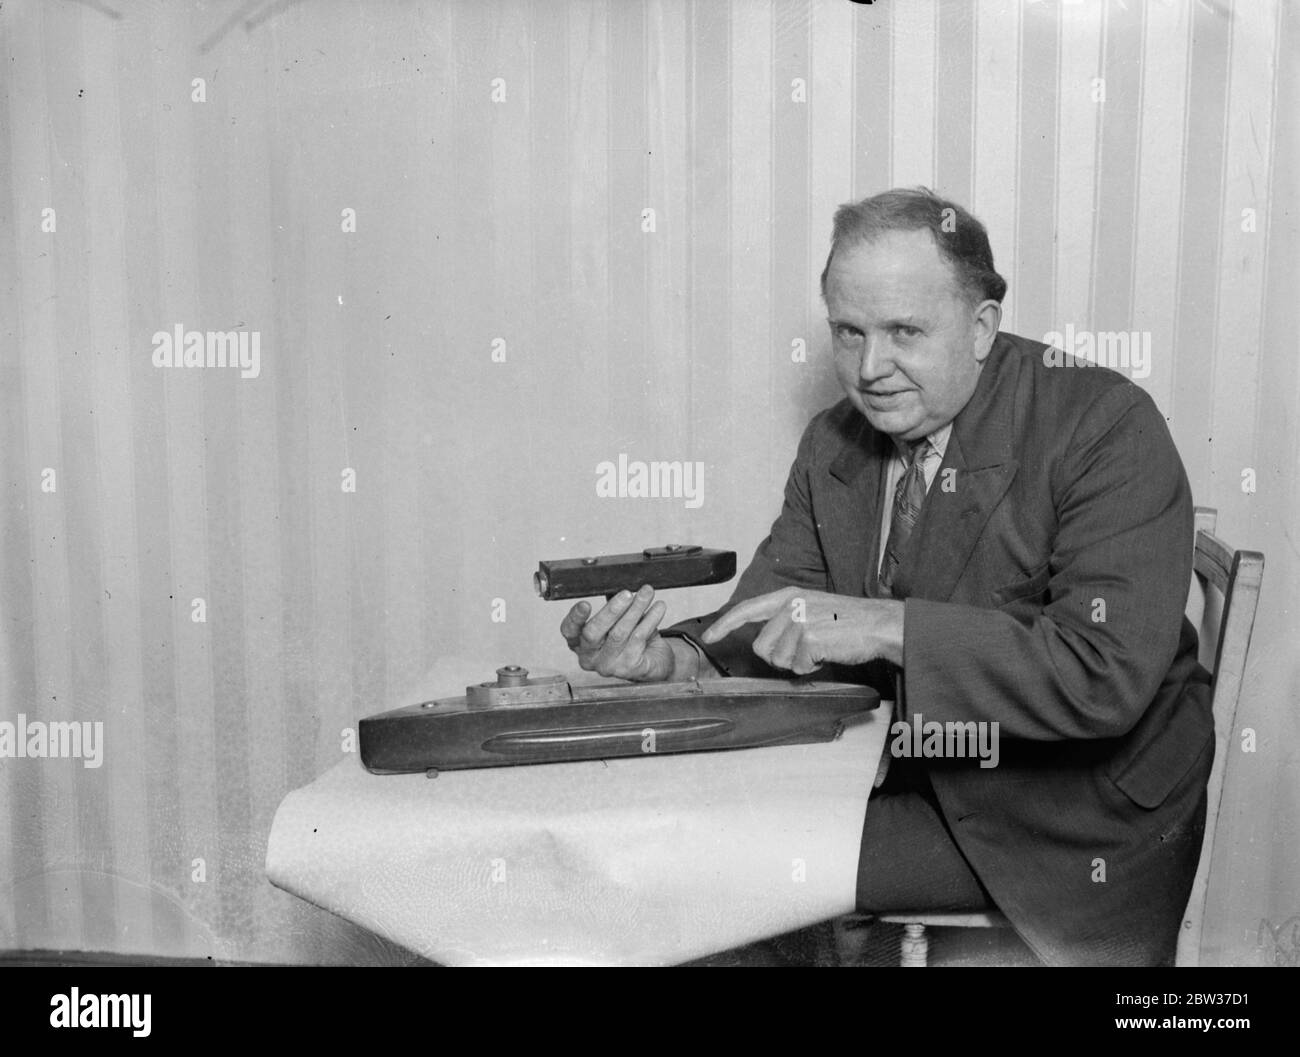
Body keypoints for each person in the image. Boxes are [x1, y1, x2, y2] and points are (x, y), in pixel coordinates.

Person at [558, 187, 1212, 967]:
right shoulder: (836, 440)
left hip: (1069, 813)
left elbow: (1104, 675)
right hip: (913, 767)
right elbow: (777, 610)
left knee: (713, 866)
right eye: (849, 332)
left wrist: (884, 624)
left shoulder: (1105, 424)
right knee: (680, 840)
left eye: (904, 331)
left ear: (981, 328)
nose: (870, 369)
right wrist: (669, 659)